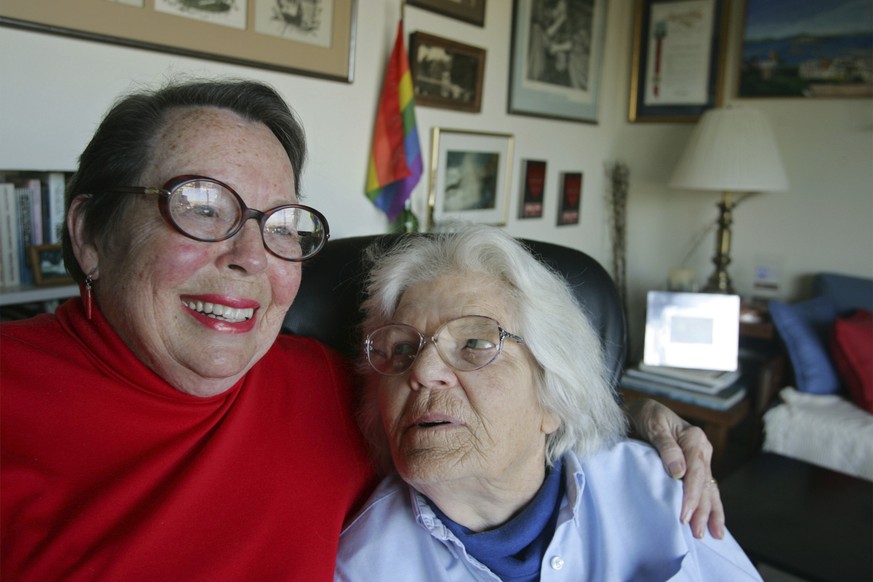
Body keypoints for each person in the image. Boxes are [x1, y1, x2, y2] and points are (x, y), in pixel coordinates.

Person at [1, 79, 720, 581]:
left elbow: (481, 403)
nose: (250, 257)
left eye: (278, 224)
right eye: (200, 207)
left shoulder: (316, 381)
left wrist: (634, 415)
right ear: (90, 233)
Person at [335, 225, 761, 581]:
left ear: (553, 395)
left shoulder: (655, 488)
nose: (422, 372)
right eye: (402, 349)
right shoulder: (363, 565)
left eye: (476, 343)